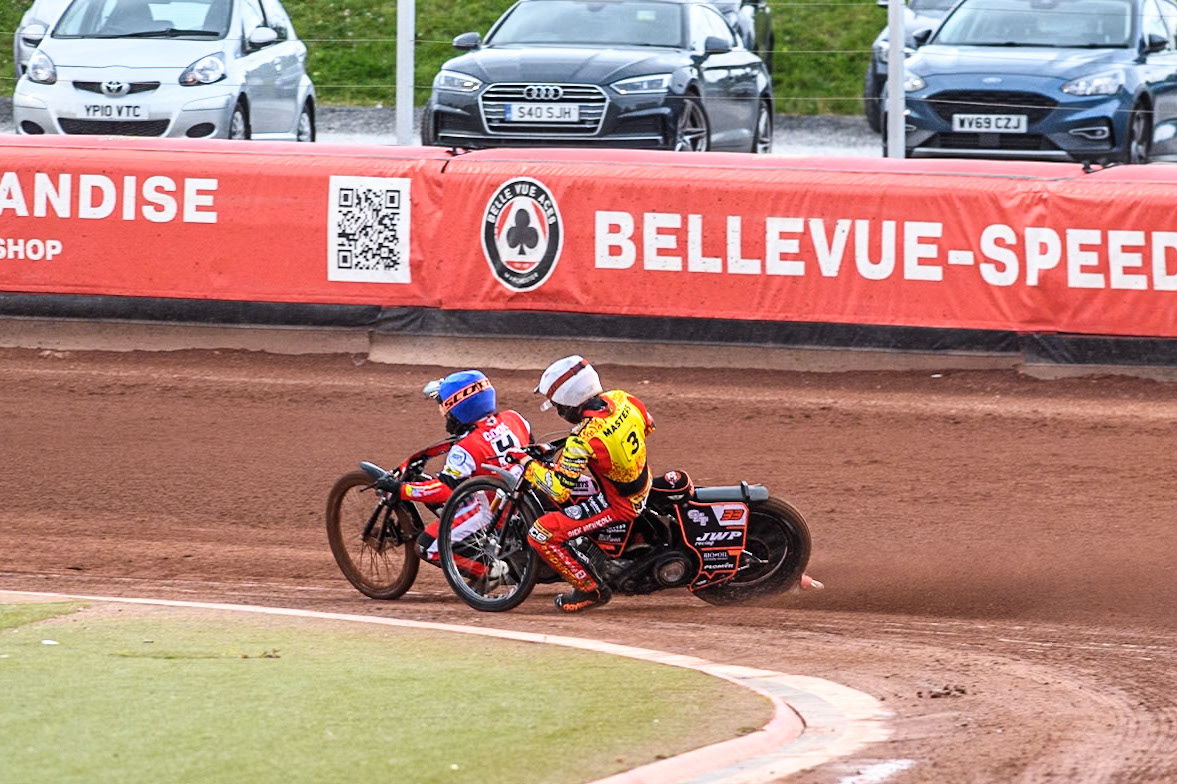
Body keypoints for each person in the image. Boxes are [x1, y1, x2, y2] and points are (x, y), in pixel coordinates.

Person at [509, 355, 655, 613]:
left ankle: (591, 591)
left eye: (557, 405)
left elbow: (558, 488)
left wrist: (527, 464)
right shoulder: (623, 399)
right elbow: (648, 425)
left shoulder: (582, 439)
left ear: (568, 402)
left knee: (541, 534)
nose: (558, 411)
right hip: (643, 481)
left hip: (619, 504)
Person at [375, 370, 532, 574]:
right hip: (524, 500)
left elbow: (444, 491)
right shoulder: (514, 419)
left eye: (446, 408)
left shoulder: (467, 447)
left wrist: (401, 489)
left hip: (490, 511)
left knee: (427, 547)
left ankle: (491, 572)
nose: (445, 415)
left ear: (460, 408)